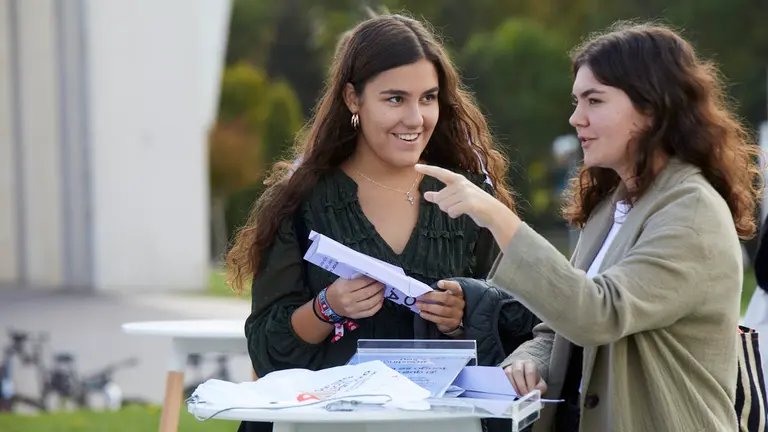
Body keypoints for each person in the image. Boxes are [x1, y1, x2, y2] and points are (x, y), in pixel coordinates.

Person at [415, 22, 764, 431]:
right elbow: (558, 327)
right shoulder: (614, 204)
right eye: (577, 101)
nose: (576, 118)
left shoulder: (691, 210)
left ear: (652, 108)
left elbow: (597, 313)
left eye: (594, 100)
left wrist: (495, 215)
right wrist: (527, 361)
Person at [226, 14, 538, 432]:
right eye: (395, 99)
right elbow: (267, 351)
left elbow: (527, 322)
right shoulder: (299, 202)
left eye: (428, 98)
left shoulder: (470, 197)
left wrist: (468, 307)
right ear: (353, 99)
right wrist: (327, 307)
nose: (415, 118)